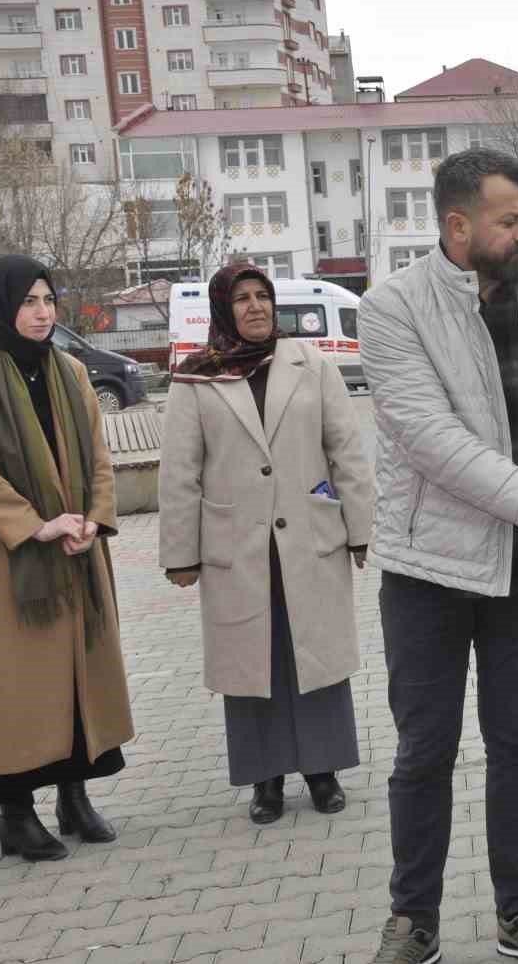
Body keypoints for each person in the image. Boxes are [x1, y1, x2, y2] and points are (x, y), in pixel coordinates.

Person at [360, 148, 518, 964]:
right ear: (458, 225)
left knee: (517, 745)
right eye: (510, 221)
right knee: (424, 752)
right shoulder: (393, 308)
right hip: (430, 571)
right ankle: (414, 919)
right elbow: (432, 442)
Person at [159, 263, 374, 824]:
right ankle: (266, 780)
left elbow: (346, 451)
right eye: (242, 299)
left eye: (262, 296)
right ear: (222, 309)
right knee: (252, 662)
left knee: (314, 653)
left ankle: (324, 772)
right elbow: (180, 472)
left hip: (309, 534)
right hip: (236, 545)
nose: (255, 306)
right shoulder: (196, 377)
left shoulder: (310, 363)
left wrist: (361, 529)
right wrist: (179, 554)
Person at [0, 255, 133, 861]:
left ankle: (74, 798)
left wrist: (93, 518)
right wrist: (34, 526)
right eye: (28, 302)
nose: (42, 314)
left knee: (75, 680)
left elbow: (99, 458)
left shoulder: (70, 371)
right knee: (19, 692)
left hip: (74, 550)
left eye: (48, 301)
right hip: (6, 558)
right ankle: (16, 815)